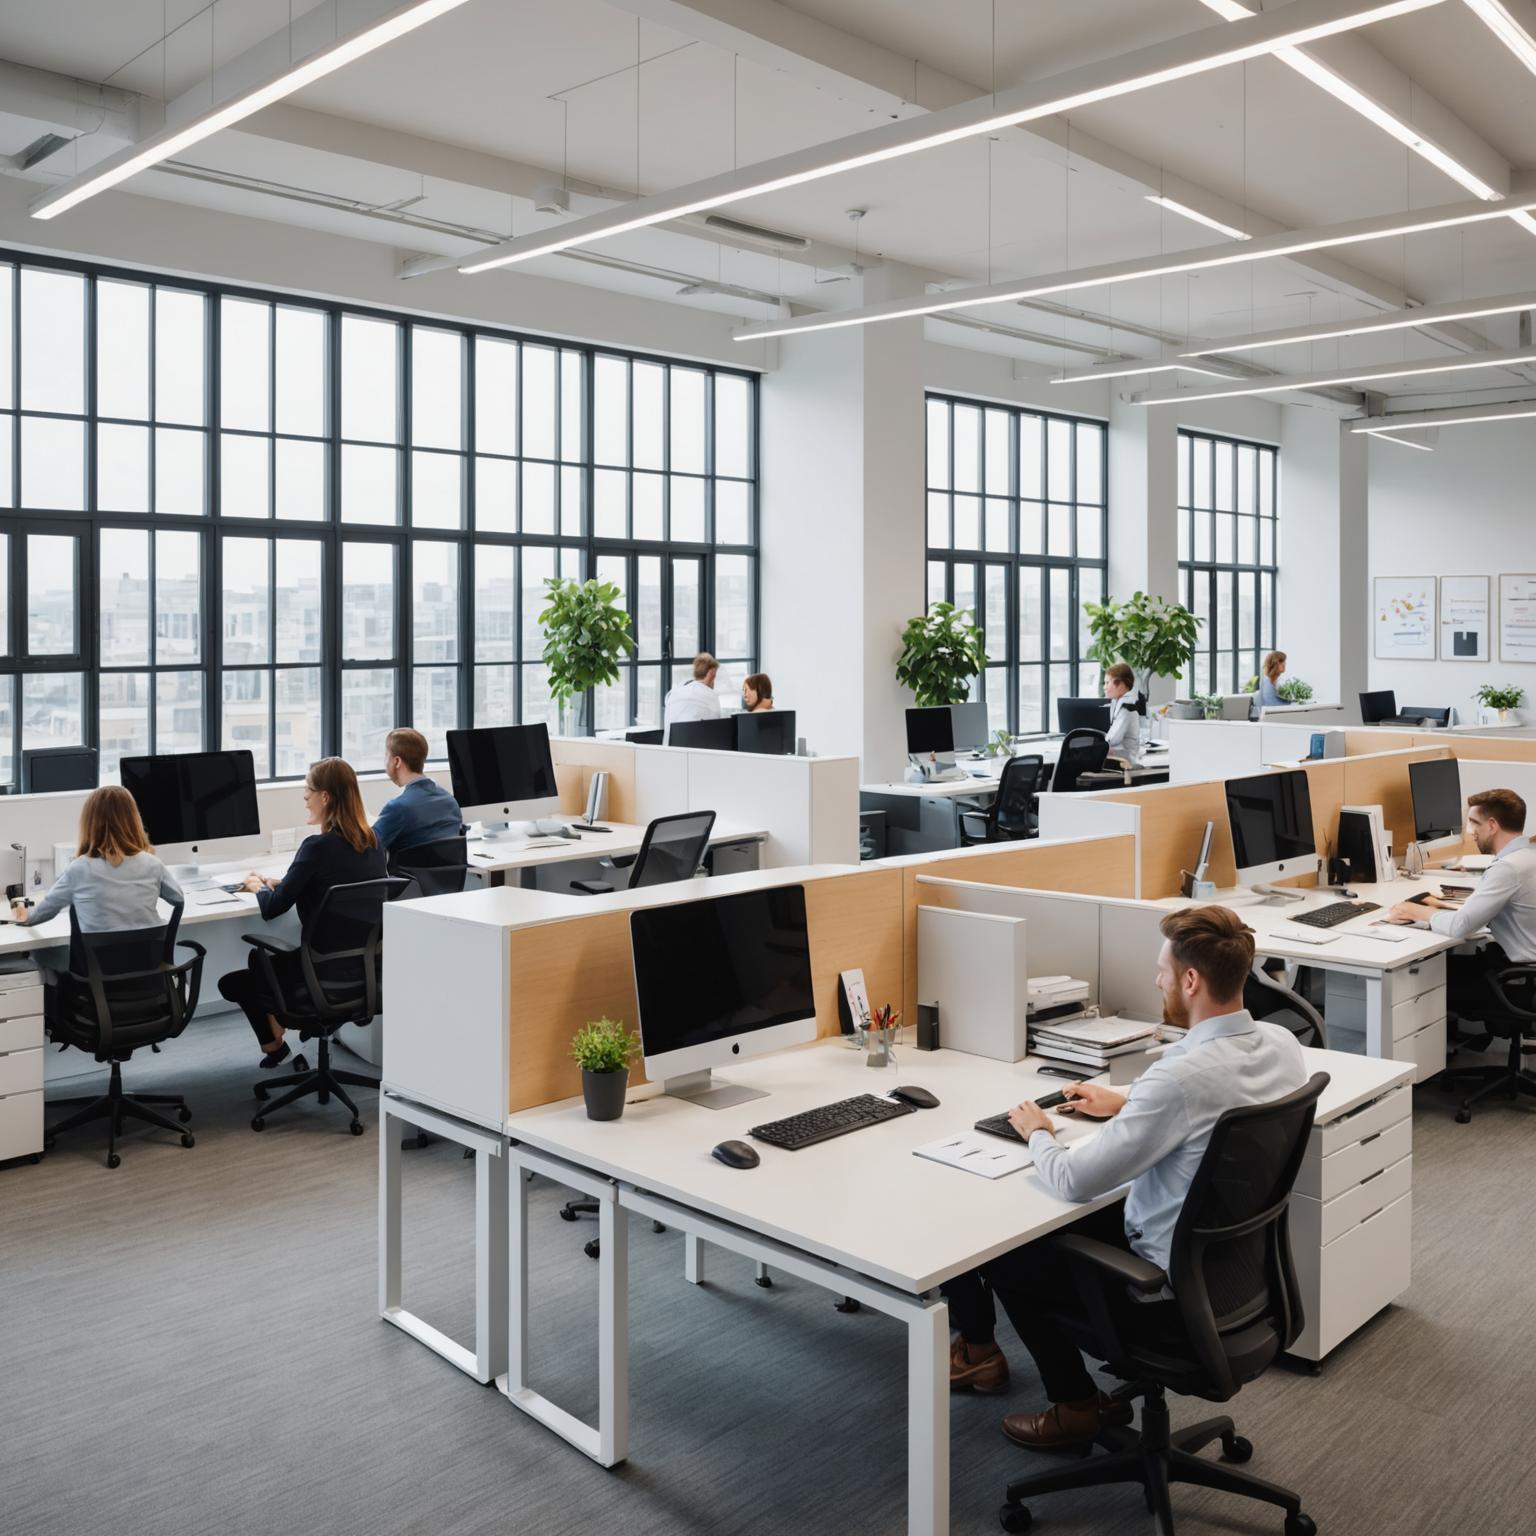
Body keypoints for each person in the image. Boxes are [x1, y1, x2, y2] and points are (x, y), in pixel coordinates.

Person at [942, 905, 1307, 1450]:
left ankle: (1075, 1407)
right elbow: (1210, 1091)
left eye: (1163, 972)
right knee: (1058, 1231)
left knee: (1007, 1253)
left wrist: (1037, 1131)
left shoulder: (1178, 1079)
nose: (1157, 982)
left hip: (1161, 1295)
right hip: (1231, 1282)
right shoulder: (1282, 1045)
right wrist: (1127, 1100)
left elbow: (1072, 1179)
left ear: (1190, 980)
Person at [218, 757, 387, 1069]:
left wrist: (258, 886)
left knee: (235, 982)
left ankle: (275, 1046)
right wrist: (285, 883)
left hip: (319, 974)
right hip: (364, 973)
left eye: (308, 790)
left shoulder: (316, 847)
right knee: (263, 974)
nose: (305, 797)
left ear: (325, 796)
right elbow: (333, 882)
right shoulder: (376, 843)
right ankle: (280, 1039)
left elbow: (273, 908)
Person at [1386, 787, 1536, 1017]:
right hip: (1524, 973)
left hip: (1518, 983)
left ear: (1492, 825)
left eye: (1475, 823)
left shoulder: (1507, 868)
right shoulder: (1529, 855)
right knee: (1451, 964)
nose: (1470, 832)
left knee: (1421, 980)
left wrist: (1416, 911)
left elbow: (1460, 926)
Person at [11, 786, 183, 939]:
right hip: (148, 961)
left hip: (98, 964)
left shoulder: (79, 869)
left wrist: (18, 908)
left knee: (41, 956)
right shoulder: (153, 864)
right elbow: (178, 899)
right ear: (134, 820)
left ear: (89, 824)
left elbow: (39, 915)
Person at [372, 727, 463, 855]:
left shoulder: (398, 808)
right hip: (446, 869)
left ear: (397, 761)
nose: (385, 762)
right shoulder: (451, 802)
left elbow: (367, 847)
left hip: (405, 869)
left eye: (386, 756)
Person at [662, 653, 721, 740]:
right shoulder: (710, 695)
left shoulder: (674, 693)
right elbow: (716, 728)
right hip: (695, 747)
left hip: (668, 746)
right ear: (711, 673)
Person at [1101, 661, 1144, 768]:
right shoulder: (1117, 703)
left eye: (1107, 683)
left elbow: (1113, 739)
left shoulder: (1127, 708)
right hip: (1117, 758)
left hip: (1125, 763)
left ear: (1121, 685)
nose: (1104, 687)